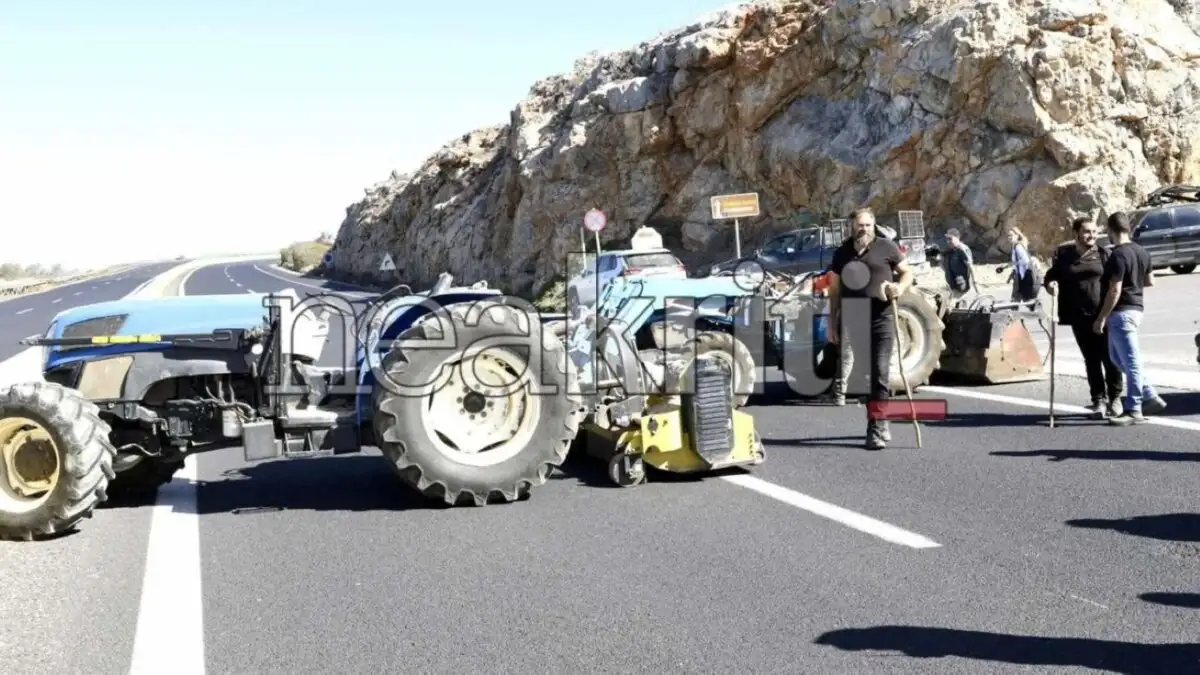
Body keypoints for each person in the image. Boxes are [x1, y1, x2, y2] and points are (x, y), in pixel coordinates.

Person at [827, 207, 914, 449]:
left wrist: (900, 288)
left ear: (873, 225)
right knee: (866, 376)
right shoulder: (841, 253)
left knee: (880, 371)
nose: (863, 229)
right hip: (854, 318)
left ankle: (875, 426)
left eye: (867, 225)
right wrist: (831, 323)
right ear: (851, 226)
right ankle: (880, 419)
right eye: (859, 225)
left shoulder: (886, 247)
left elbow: (907, 272)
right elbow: (834, 291)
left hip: (882, 316)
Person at [1043, 217, 1123, 418]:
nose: (1092, 235)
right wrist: (1050, 284)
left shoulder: (1104, 254)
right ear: (1076, 233)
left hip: (1103, 314)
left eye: (1094, 232)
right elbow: (1051, 275)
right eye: (1087, 231)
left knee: (1109, 358)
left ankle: (1115, 398)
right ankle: (1098, 400)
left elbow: (1116, 282)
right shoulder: (1064, 256)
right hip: (1078, 316)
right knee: (1091, 359)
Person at [1094, 211, 1167, 425]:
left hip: (1121, 313)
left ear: (1111, 230)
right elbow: (1150, 281)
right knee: (1117, 359)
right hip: (1135, 309)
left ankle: (1134, 409)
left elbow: (1114, 290)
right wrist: (1133, 285)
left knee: (1131, 362)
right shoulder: (1141, 251)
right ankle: (1148, 393)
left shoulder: (1118, 255)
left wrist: (1101, 318)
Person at [1003, 227, 1039, 301]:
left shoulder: (1018, 246)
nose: (1009, 237)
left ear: (1017, 235)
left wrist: (1015, 264)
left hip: (1022, 277)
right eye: (1008, 235)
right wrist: (1009, 270)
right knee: (1021, 298)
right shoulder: (1015, 246)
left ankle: (1035, 309)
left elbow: (1025, 260)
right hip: (1020, 276)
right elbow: (1017, 262)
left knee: (1017, 298)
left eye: (1011, 235)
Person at [941, 228, 974, 298]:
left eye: (950, 239)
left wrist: (975, 283)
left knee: (959, 305)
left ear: (957, 238)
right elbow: (945, 267)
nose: (948, 241)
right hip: (952, 285)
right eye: (947, 239)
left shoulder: (963, 249)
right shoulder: (950, 251)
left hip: (961, 286)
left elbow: (970, 267)